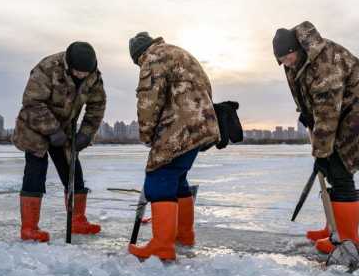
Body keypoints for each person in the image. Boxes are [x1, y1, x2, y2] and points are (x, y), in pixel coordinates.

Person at [272, 21, 359, 253]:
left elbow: (327, 111)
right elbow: (310, 100)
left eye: (286, 58)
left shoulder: (324, 61)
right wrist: (307, 116)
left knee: (340, 173)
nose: (284, 64)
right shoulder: (299, 62)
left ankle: (348, 242)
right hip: (344, 118)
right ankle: (333, 228)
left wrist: (321, 151)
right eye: (280, 60)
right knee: (330, 170)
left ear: (295, 50)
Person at [127, 32, 220, 260]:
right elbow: (206, 85)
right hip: (201, 123)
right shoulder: (179, 52)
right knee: (178, 178)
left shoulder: (153, 57)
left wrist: (147, 133)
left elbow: (149, 99)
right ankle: (183, 235)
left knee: (159, 177)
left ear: (139, 55)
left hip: (178, 126)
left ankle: (162, 245)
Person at [12, 42, 106, 242]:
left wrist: (86, 134)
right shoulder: (48, 68)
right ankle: (29, 228)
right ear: (68, 64)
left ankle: (78, 220)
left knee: (73, 169)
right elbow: (32, 102)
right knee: (35, 171)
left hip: (65, 127)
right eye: (77, 72)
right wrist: (52, 130)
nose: (81, 76)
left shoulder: (93, 75)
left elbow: (97, 106)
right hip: (34, 126)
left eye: (85, 73)